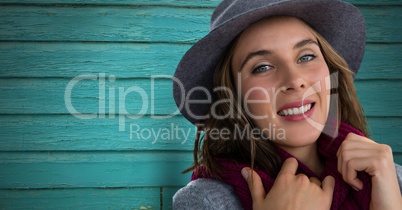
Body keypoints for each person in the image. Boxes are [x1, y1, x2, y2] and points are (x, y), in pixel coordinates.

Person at [172, 0, 402, 209]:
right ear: (232, 95)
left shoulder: (389, 178)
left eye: (306, 57)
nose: (295, 81)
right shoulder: (205, 202)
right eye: (262, 67)